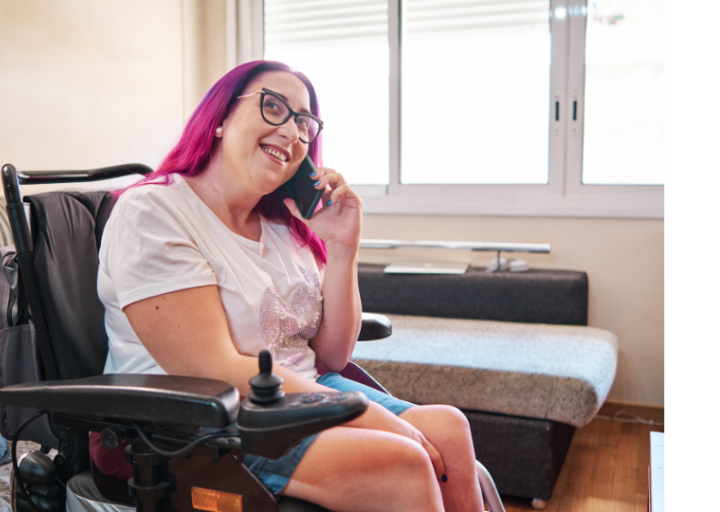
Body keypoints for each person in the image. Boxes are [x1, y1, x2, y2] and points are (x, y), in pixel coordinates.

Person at [96, 60, 484, 512]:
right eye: (274, 107)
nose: (294, 132)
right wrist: (366, 413)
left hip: (297, 396)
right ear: (220, 118)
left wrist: (342, 246)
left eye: (305, 123)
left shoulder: (282, 226)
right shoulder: (154, 211)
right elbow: (212, 367)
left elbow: (333, 356)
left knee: (450, 430)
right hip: (201, 419)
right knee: (403, 460)